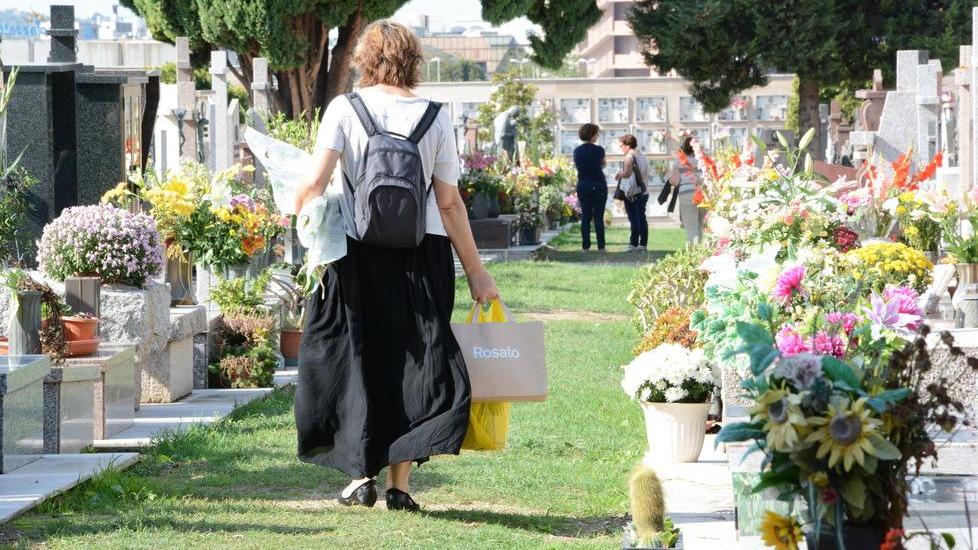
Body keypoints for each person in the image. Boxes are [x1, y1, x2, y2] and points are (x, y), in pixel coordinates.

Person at [292, 20, 499, 513]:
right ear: (413, 62)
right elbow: (448, 204)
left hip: (353, 249)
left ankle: (359, 476)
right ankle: (399, 486)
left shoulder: (345, 108)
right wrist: (476, 271)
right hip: (421, 251)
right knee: (414, 359)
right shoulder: (435, 116)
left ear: (365, 60)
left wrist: (297, 210)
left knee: (358, 355)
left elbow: (315, 185)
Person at [572, 123, 607, 251]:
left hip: (583, 184)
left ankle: (585, 246)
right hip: (598, 183)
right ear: (592, 135)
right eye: (596, 133)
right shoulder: (599, 150)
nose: (597, 136)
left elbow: (578, 166)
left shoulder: (577, 151)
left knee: (585, 216)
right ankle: (601, 246)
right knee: (599, 216)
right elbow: (603, 164)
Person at [615, 133, 650, 251]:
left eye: (621, 146)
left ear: (628, 145)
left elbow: (627, 174)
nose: (620, 148)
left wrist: (619, 174)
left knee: (634, 219)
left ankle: (633, 244)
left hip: (633, 192)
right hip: (643, 191)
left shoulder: (629, 157)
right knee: (641, 218)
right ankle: (643, 244)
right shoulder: (641, 155)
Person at [667, 136, 702, 243]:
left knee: (690, 226)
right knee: (701, 224)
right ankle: (701, 251)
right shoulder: (701, 159)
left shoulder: (679, 161)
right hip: (702, 194)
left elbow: (674, 181)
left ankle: (692, 253)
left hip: (686, 194)